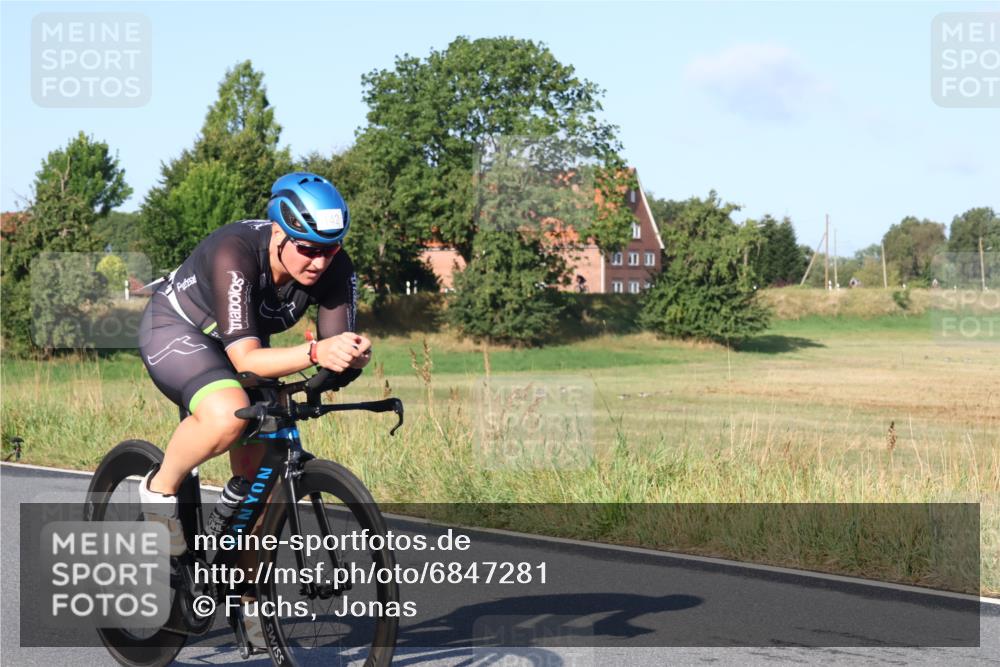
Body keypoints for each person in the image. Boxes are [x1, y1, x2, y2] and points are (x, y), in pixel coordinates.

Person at [136, 172, 372, 646]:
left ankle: (244, 593)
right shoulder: (235, 251)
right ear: (281, 234)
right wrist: (313, 355)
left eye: (330, 248)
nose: (319, 261)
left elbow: (331, 350)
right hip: (180, 332)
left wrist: (348, 360)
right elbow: (246, 359)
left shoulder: (334, 267)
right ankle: (158, 493)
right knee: (226, 416)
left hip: (244, 342)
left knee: (261, 479)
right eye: (307, 248)